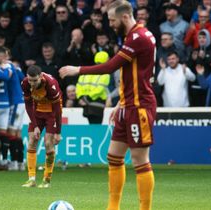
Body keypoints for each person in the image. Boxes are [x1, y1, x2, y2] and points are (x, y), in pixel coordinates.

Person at [59, 1, 156, 209]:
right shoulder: (136, 35)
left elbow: (111, 66)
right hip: (129, 104)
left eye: (112, 20)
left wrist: (78, 69)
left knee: (140, 159)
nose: (110, 24)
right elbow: (137, 74)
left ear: (124, 17)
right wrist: (122, 101)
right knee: (114, 155)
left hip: (139, 107)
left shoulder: (138, 37)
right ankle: (113, 207)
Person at [21, 65, 62, 188]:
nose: (32, 84)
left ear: (41, 77)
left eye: (35, 80)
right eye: (30, 80)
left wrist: (58, 132)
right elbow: (28, 105)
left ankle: (46, 180)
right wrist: (35, 125)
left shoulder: (51, 84)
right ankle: (31, 179)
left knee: (48, 144)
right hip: (37, 112)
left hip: (52, 114)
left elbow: (58, 110)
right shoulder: (25, 83)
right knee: (32, 140)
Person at [75, 51, 110, 124]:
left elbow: (78, 87)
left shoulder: (86, 72)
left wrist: (82, 98)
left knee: (90, 128)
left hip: (85, 105)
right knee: (97, 130)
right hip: (97, 105)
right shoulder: (105, 74)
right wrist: (88, 99)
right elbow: (99, 89)